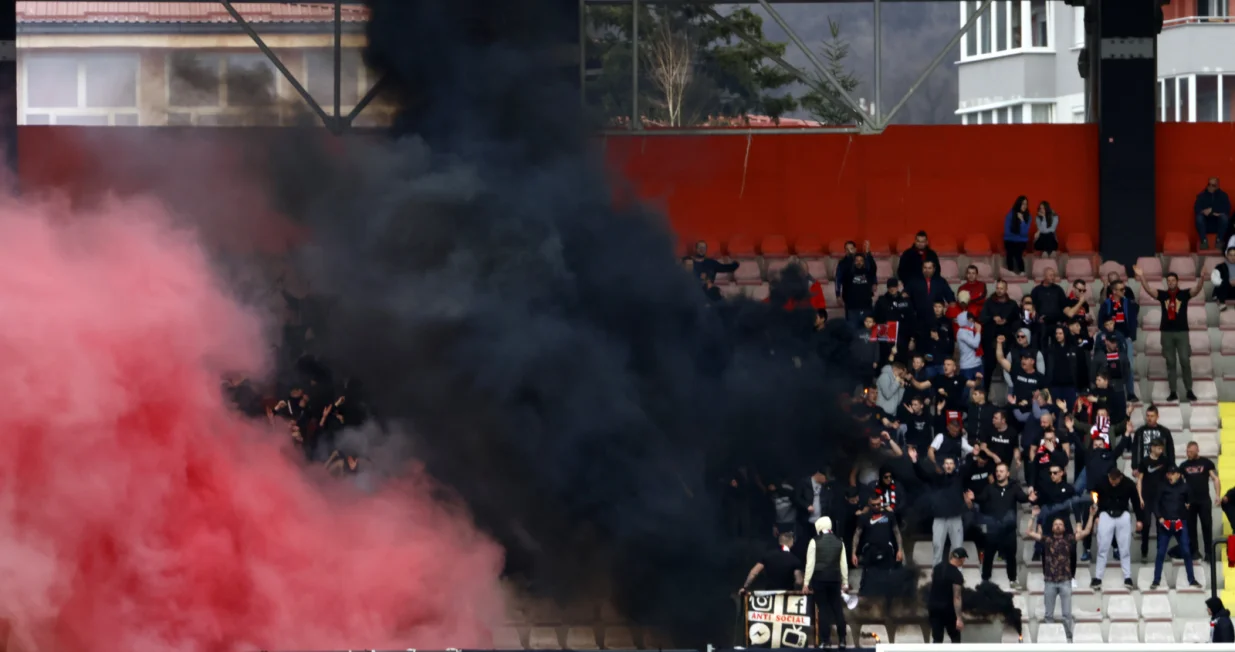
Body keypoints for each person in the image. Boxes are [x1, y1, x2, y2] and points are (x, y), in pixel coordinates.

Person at [1025, 505, 1097, 643]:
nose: (1058, 526)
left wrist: (1092, 516)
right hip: (1050, 582)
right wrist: (1033, 516)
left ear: (1064, 528)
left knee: (1066, 615)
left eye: (1060, 524)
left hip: (1065, 582)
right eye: (1055, 524)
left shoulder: (1069, 539)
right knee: (1048, 615)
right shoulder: (1047, 540)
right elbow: (1028, 532)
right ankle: (1049, 639)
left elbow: (1087, 531)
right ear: (1052, 528)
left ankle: (1068, 639)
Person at [1134, 265, 1201, 401]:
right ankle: (1173, 392)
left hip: (1182, 332)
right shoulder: (1163, 295)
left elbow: (1197, 290)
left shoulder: (1184, 294)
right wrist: (1142, 276)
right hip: (1166, 333)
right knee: (1170, 362)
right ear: (1167, 282)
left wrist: (1203, 279)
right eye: (1168, 280)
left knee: (1184, 360)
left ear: (1177, 281)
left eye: (1173, 280)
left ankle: (1189, 390)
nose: (1171, 282)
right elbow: (1148, 290)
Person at [965, 462, 1028, 588]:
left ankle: (1012, 580)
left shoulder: (1014, 487)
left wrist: (1031, 498)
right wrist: (973, 497)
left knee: (1011, 556)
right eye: (997, 471)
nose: (998, 473)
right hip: (993, 529)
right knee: (988, 556)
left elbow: (1023, 498)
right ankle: (985, 580)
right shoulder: (990, 487)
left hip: (1009, 530)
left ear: (1007, 473)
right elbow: (981, 498)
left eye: (1001, 471)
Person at [1152, 465, 1202, 589]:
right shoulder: (1162, 486)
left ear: (1178, 475)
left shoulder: (1185, 487)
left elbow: (1191, 501)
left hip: (1180, 523)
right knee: (1160, 553)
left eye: (1173, 474)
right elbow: (1155, 503)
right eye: (1169, 474)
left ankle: (1192, 579)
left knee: (1186, 551)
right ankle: (1156, 580)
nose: (1170, 476)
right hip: (1166, 524)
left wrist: (1188, 506)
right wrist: (1159, 517)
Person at [1092, 467, 1142, 590]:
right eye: (1111, 479)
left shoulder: (1129, 484)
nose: (1113, 482)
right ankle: (1098, 577)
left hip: (1122, 514)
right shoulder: (1102, 482)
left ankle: (1127, 577)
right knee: (1102, 547)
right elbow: (1094, 496)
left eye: (1115, 480)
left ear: (1120, 477)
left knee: (1124, 548)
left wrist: (1140, 519)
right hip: (1105, 514)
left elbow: (1136, 502)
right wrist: (1096, 516)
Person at [803, 516, 849, 648]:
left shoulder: (814, 541)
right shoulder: (839, 541)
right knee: (837, 609)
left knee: (823, 610)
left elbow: (810, 564)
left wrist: (806, 583)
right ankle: (842, 640)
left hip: (819, 579)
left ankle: (826, 641)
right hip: (835, 579)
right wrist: (845, 582)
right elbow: (843, 564)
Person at [1097, 279, 1139, 401]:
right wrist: (1108, 338)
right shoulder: (1106, 304)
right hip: (1109, 340)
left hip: (1125, 339)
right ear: (1114, 291)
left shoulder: (1128, 303)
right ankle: (1108, 391)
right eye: (1121, 289)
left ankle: (1130, 393)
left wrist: (1131, 336)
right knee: (1109, 366)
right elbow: (1101, 322)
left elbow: (1132, 321)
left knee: (1129, 366)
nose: (1124, 291)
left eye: (1124, 289)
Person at [1179, 441, 1220, 561]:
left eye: (1191, 451)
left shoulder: (1206, 463)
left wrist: (1217, 495)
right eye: (1187, 451)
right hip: (1190, 502)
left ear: (1197, 450)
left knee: (1207, 526)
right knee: (1191, 527)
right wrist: (1182, 500)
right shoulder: (1183, 466)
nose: (1188, 453)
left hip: (1204, 500)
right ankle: (1195, 551)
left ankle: (1208, 552)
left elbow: (1215, 479)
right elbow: (1179, 484)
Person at [1137, 439, 1170, 561]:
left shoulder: (1165, 461)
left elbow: (1169, 477)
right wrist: (1140, 497)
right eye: (1159, 448)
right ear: (1152, 448)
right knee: (1146, 524)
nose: (1161, 450)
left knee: (1160, 525)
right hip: (1146, 497)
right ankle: (1144, 551)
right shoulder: (1145, 461)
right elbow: (1139, 479)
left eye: (1162, 448)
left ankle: (1160, 553)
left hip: (1160, 498)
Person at [927, 547, 967, 643]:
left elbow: (933, 581)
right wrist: (959, 618)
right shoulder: (957, 575)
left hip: (934, 608)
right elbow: (957, 597)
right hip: (948, 611)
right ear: (961, 559)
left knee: (937, 639)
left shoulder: (937, 567)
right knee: (955, 638)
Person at [840, 242, 878, 327]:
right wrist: (850, 255)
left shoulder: (868, 274)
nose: (859, 262)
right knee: (852, 334)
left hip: (866, 308)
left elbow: (873, 267)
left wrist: (868, 253)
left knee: (866, 334)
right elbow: (845, 267)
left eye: (861, 261)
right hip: (852, 309)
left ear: (864, 262)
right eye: (856, 261)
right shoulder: (849, 274)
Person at [1196, 177, 1232, 250]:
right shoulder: (1202, 195)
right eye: (1209, 184)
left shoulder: (1223, 196)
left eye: (1213, 185)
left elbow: (1227, 209)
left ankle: (1219, 241)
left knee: (1224, 217)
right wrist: (1203, 211)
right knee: (1199, 217)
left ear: (1218, 186)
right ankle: (1204, 241)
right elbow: (1196, 208)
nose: (1211, 187)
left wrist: (1214, 212)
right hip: (1206, 223)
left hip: (1218, 224)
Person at [1004, 196, 1031, 275]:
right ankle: (1010, 272)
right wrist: (1018, 235)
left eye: (1026, 204)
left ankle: (1022, 271)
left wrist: (1022, 220)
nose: (1024, 206)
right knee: (1010, 254)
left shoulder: (1028, 216)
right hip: (1009, 239)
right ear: (1018, 204)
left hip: (1021, 241)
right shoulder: (1010, 215)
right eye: (1023, 204)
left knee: (1018, 254)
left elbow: (1025, 232)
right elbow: (1007, 231)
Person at [1212, 247, 1235, 311]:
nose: (1233, 257)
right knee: (1223, 283)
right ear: (1227, 256)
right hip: (1224, 290)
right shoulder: (1220, 267)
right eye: (1231, 255)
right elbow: (1215, 280)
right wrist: (1228, 282)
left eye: (1234, 255)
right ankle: (1221, 303)